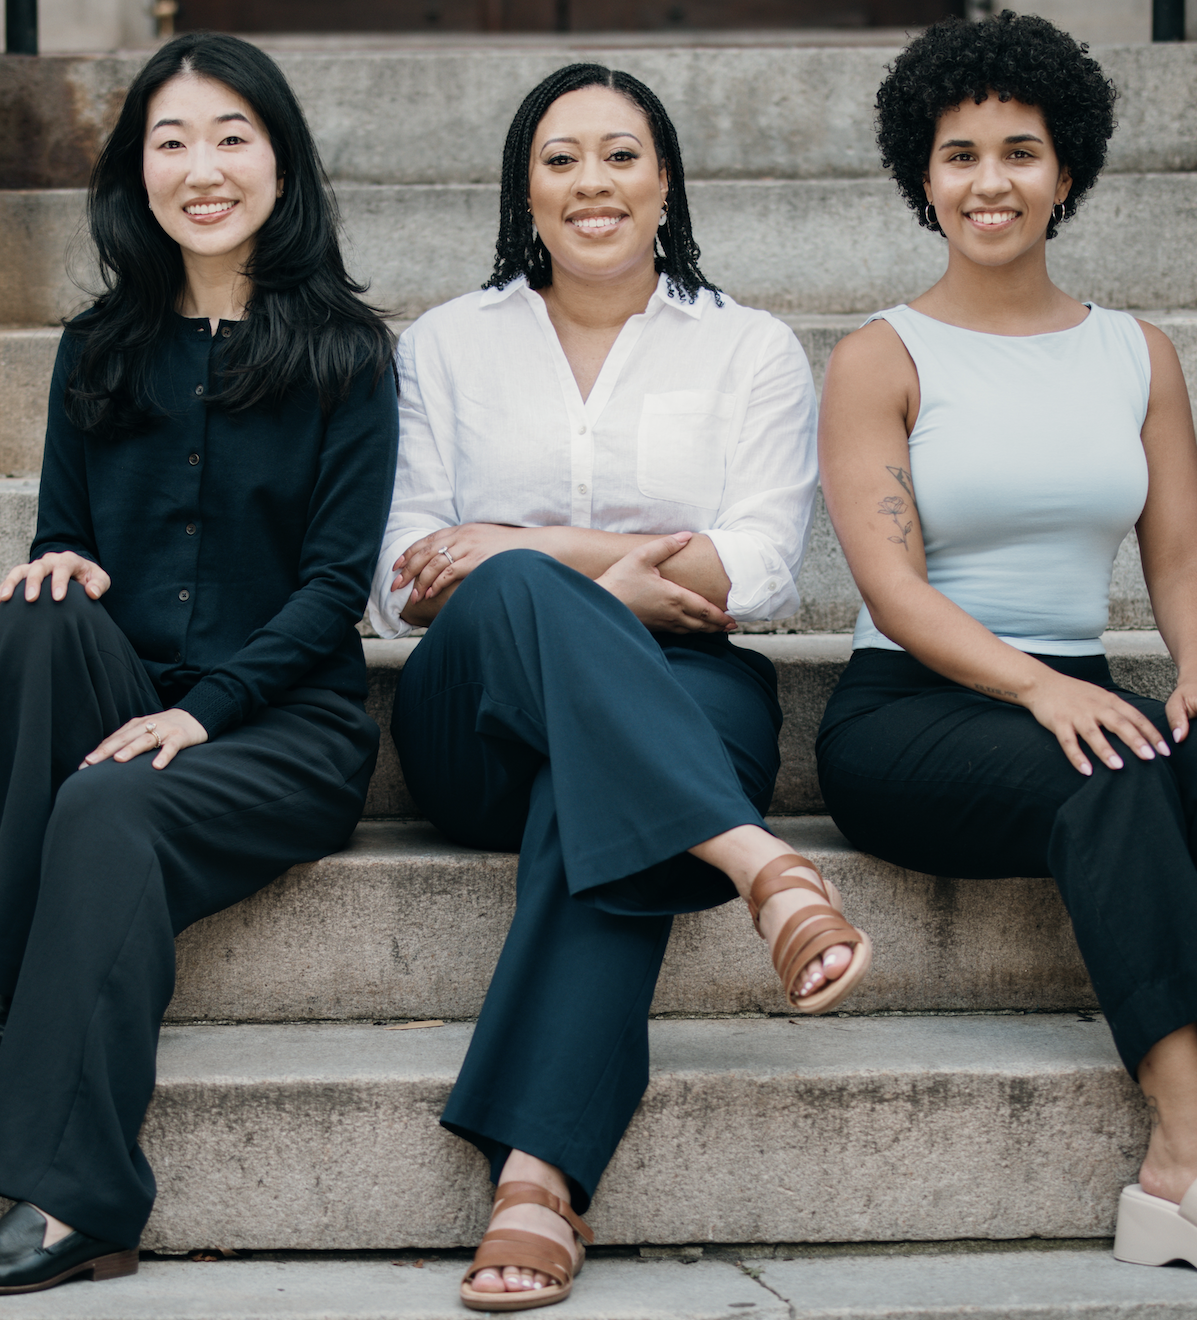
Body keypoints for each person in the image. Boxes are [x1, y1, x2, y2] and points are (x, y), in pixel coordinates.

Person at [814, 12, 1197, 1282]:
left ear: (1070, 170)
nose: (991, 181)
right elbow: (894, 581)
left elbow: (1182, 560)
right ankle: (1184, 1149)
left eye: (1022, 152)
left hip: (1078, 695)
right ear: (922, 180)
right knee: (1115, 772)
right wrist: (1040, 688)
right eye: (960, 155)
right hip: (911, 712)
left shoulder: (1134, 351)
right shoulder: (882, 355)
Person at [369, 62, 872, 1312]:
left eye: (620, 155)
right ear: (523, 189)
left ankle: (537, 1176)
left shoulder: (749, 347)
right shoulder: (445, 343)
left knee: (589, 781)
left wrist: (523, 542)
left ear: (665, 183)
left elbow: (755, 565)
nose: (591, 182)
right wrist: (580, 575)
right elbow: (406, 575)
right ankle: (765, 868)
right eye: (560, 158)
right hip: (473, 704)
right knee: (522, 597)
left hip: (688, 680)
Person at [0, 33, 398, 1295]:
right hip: (125, 699)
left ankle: (78, 1203)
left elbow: (335, 593)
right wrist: (62, 562)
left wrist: (210, 715)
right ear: (138, 175)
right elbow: (61, 537)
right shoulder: (97, 348)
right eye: (170, 140)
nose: (203, 166)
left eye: (232, 135)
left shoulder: (347, 354)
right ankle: (37, 968)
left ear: (281, 164)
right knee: (36, 612)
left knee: (111, 796)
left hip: (284, 730)